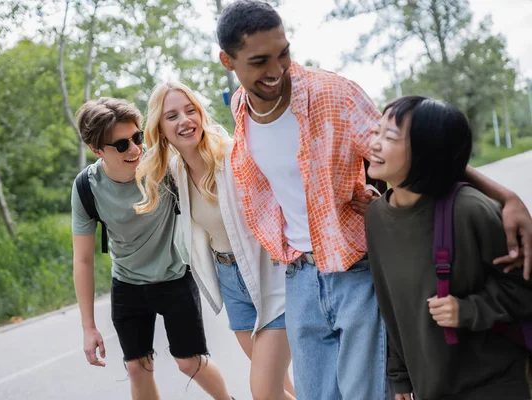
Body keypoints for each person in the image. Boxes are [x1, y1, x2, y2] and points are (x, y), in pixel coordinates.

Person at [215, 1, 532, 398]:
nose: (277, 71)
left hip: (355, 269)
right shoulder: (242, 111)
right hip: (298, 277)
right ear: (228, 61)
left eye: (284, 53)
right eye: (260, 61)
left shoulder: (332, 93)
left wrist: (506, 197)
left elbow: (419, 154)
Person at [134, 81, 296, 400]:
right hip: (231, 282)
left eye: (190, 110)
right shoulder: (176, 171)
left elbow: (280, 201)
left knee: (264, 390)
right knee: (277, 386)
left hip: (268, 275)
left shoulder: (234, 155)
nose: (184, 120)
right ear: (160, 128)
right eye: (172, 115)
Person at [366, 95, 532, 400]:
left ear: (426, 148)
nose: (374, 143)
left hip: (495, 384)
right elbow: (389, 301)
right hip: (431, 387)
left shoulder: (471, 211)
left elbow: (523, 289)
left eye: (390, 136)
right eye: (376, 132)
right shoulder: (376, 217)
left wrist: (468, 309)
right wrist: (399, 376)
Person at [70, 98, 233, 400]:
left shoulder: (165, 168)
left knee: (189, 362)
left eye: (136, 138)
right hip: (128, 285)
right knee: (136, 368)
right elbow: (82, 261)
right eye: (121, 145)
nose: (134, 149)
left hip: (174, 278)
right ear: (97, 150)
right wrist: (88, 327)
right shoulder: (86, 188)